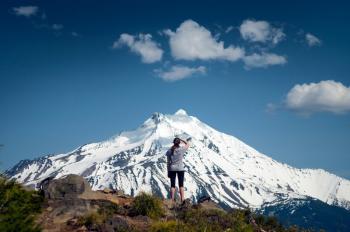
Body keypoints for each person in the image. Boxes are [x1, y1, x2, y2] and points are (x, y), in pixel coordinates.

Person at [166, 137, 191, 203]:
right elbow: (188, 144)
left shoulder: (169, 151)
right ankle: (182, 199)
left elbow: (168, 162)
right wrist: (182, 139)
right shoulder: (181, 149)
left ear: (173, 143)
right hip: (180, 168)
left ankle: (172, 199)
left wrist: (168, 171)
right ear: (179, 143)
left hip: (172, 169)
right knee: (181, 185)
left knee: (172, 185)